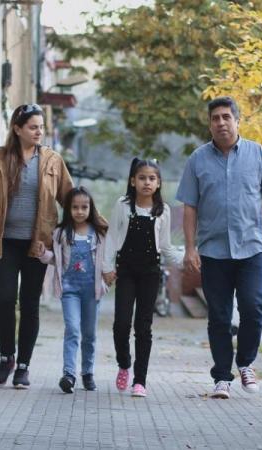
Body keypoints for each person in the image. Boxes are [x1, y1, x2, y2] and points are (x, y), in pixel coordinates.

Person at [176, 96, 262, 399]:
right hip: (213, 252)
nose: (221, 122)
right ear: (210, 124)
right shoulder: (198, 159)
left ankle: (246, 363)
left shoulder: (258, 155)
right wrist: (190, 248)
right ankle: (222, 377)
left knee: (254, 309)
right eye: (215, 118)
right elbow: (189, 207)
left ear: (237, 121)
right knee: (219, 316)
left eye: (226, 117)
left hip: (251, 249)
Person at [0, 104, 73, 389]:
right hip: (5, 242)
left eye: (41, 127)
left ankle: (23, 366)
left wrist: (96, 230)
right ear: (17, 129)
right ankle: (7, 356)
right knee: (6, 299)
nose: (39, 132)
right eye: (33, 127)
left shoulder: (52, 161)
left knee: (30, 304)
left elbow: (72, 200)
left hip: (37, 245)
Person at [103, 158, 183, 397]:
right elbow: (112, 237)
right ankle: (124, 363)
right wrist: (107, 267)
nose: (147, 182)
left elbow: (166, 246)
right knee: (121, 324)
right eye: (142, 178)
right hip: (125, 271)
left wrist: (185, 259)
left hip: (150, 273)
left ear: (158, 183)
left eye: (152, 178)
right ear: (132, 181)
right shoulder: (123, 205)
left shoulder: (163, 210)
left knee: (143, 327)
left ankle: (140, 380)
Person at [35, 186, 108, 393]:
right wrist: (43, 254)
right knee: (73, 330)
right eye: (75, 207)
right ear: (68, 209)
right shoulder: (61, 233)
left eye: (84, 207)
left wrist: (109, 279)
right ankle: (69, 373)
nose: (79, 211)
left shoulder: (99, 233)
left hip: (91, 291)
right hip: (69, 291)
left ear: (90, 208)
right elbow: (55, 260)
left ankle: (88, 372)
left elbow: (107, 260)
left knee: (89, 334)